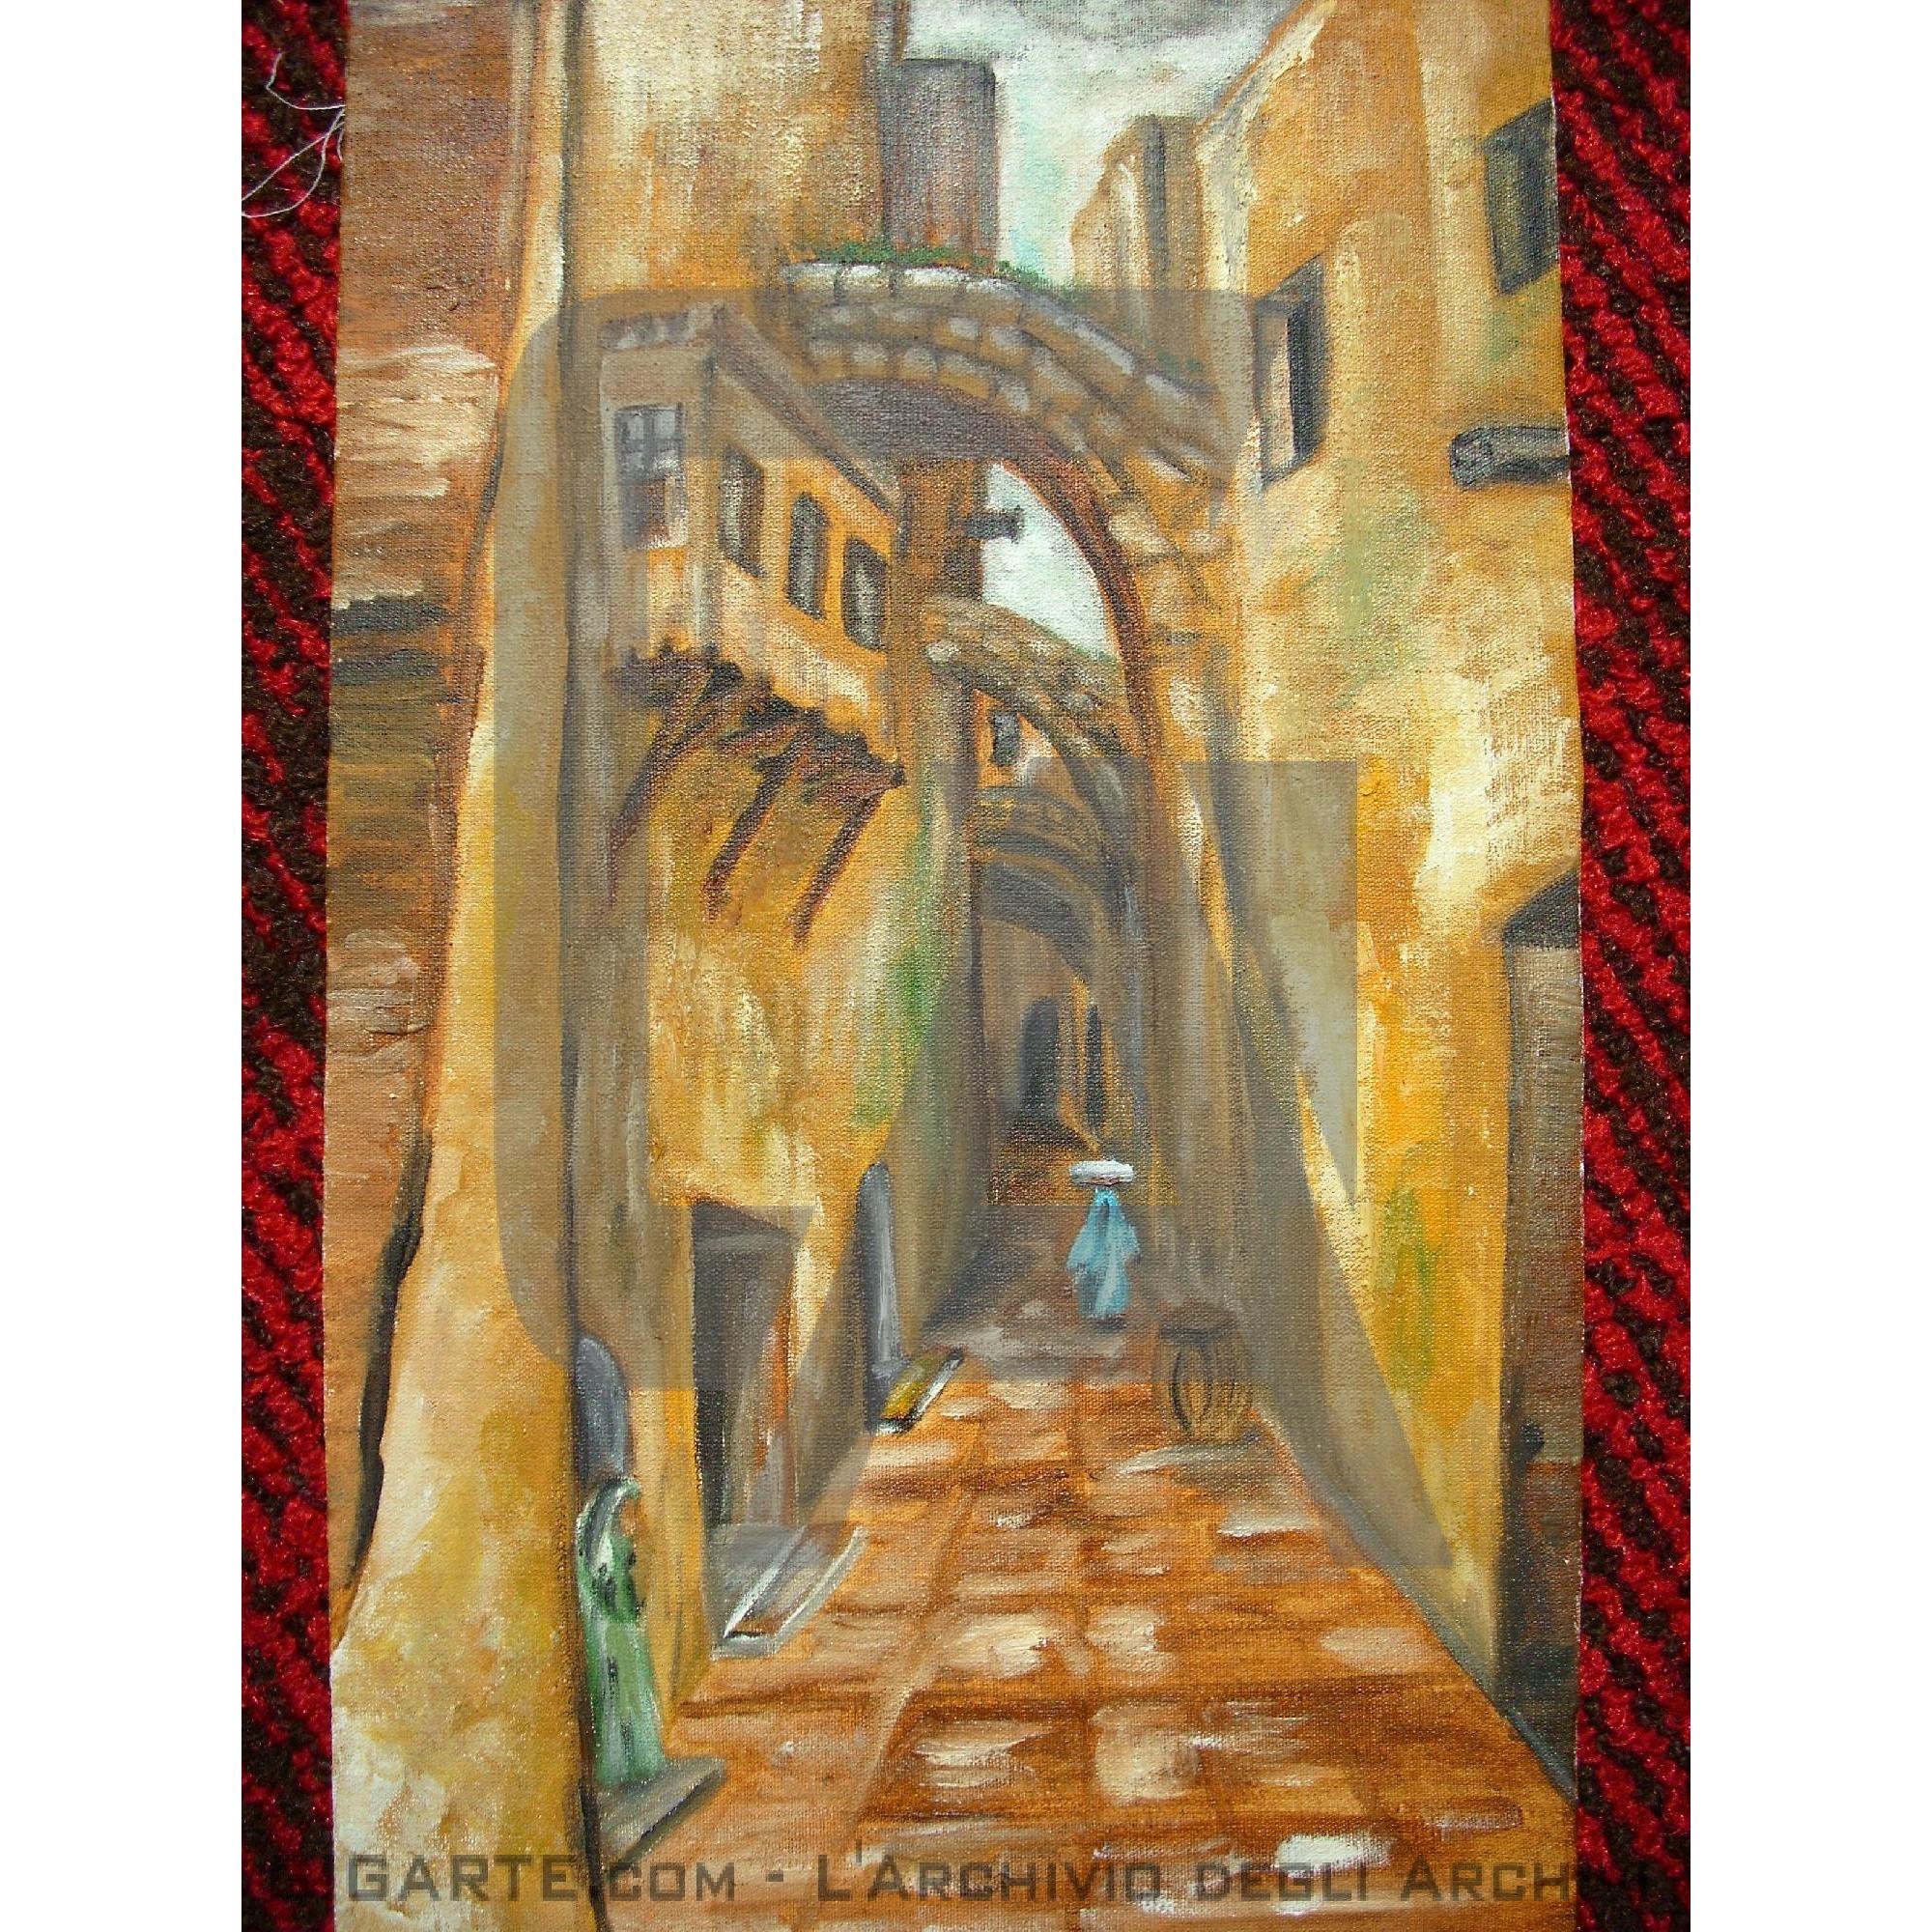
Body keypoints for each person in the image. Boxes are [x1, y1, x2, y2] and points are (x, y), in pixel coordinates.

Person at [1066, 1183, 1139, 1322]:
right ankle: (1103, 1311)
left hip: (1109, 1244)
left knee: (1109, 1275)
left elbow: (1118, 1222)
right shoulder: (1102, 1200)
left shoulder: (1107, 1201)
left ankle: (1109, 1310)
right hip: (1101, 1243)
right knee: (1098, 1275)